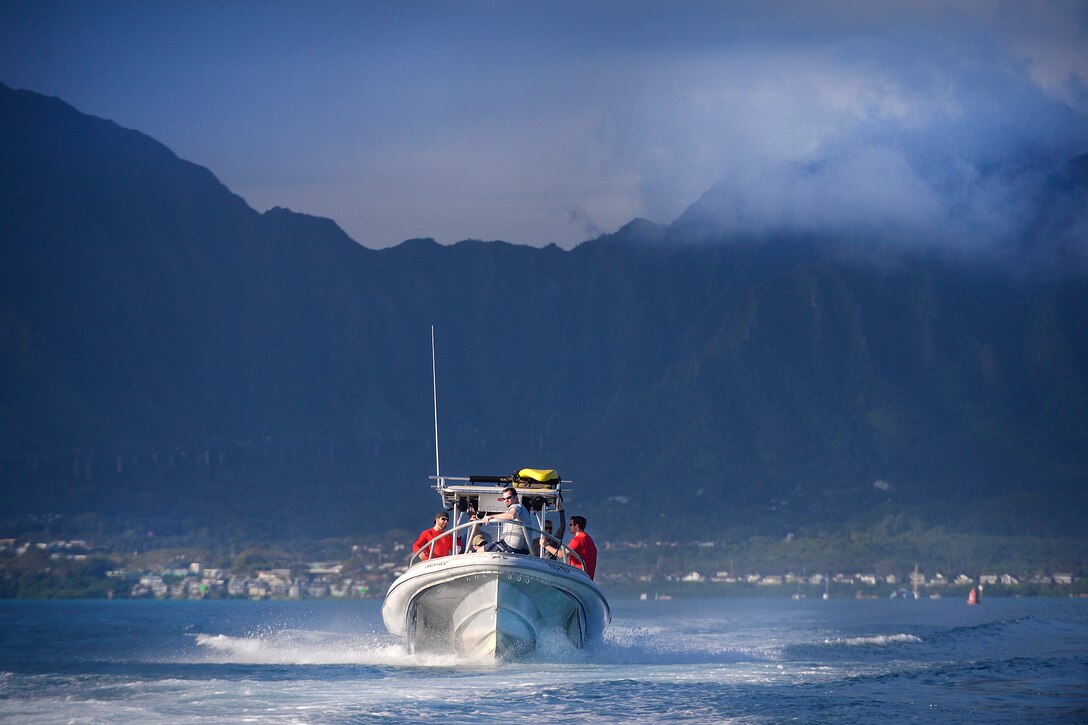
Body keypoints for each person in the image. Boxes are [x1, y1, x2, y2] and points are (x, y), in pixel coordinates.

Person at [483, 486, 534, 554]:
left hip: (511, 548)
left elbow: (512, 515)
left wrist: (491, 517)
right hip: (521, 550)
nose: (506, 500)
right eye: (504, 499)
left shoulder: (516, 506)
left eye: (509, 498)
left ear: (516, 497)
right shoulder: (521, 508)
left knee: (478, 550)